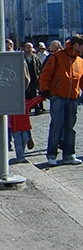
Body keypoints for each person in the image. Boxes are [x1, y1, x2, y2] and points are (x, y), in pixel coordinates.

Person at [39, 35, 83, 166]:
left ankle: (69, 154)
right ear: (76, 45)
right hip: (58, 96)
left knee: (70, 127)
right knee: (57, 126)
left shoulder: (80, 61)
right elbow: (45, 74)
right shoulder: (57, 56)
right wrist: (45, 89)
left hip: (73, 98)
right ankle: (52, 154)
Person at [8, 96, 45, 164]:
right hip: (15, 127)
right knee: (18, 143)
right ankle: (20, 158)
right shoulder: (11, 105)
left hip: (25, 127)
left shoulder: (25, 103)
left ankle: (21, 154)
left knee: (25, 140)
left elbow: (34, 101)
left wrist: (43, 96)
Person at [24, 42, 43, 115]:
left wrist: (39, 75)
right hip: (25, 78)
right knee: (26, 95)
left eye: (30, 47)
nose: (29, 49)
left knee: (35, 94)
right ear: (25, 48)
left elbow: (40, 66)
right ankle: (27, 109)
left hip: (34, 78)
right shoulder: (22, 57)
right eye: (28, 47)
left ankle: (36, 108)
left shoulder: (35, 57)